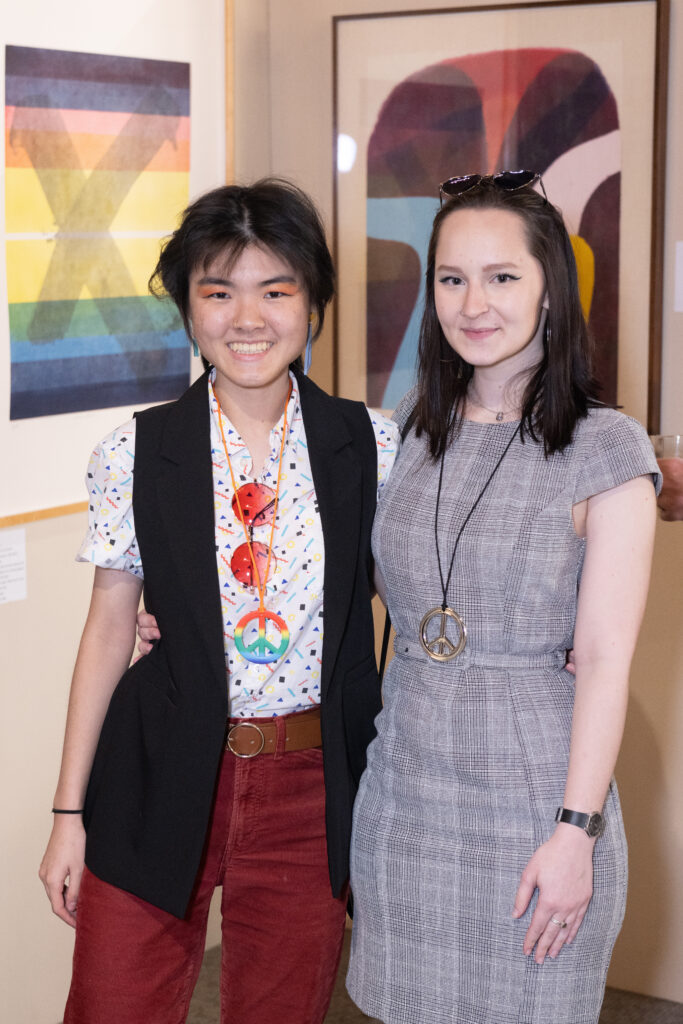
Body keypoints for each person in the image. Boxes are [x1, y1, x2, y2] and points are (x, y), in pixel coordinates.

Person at [38, 178, 398, 1024]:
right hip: (160, 765)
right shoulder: (135, 448)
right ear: (188, 307)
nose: (248, 317)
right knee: (113, 1006)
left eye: (276, 290)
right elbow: (108, 628)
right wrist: (67, 813)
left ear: (312, 303)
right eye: (218, 291)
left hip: (312, 786)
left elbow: (425, 593)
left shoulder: (372, 443)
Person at [345, 172, 660, 1024]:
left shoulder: (606, 450)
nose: (472, 303)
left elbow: (600, 662)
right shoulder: (414, 426)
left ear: (550, 288)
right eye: (451, 278)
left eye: (501, 277)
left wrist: (573, 833)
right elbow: (363, 584)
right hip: (404, 793)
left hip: (532, 801)